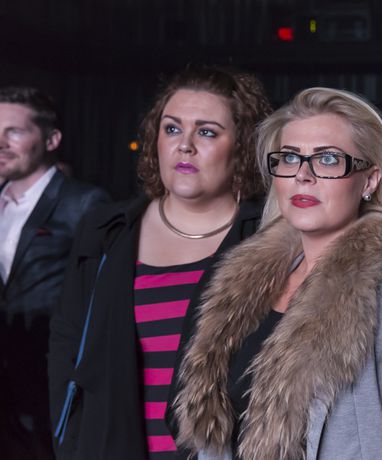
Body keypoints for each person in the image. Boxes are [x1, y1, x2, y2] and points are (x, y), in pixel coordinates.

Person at [171, 87, 382, 460]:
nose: (303, 175)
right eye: (290, 157)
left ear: (370, 180)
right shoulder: (242, 282)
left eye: (327, 159)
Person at [47, 66, 272, 460]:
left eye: (207, 132)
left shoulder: (267, 238)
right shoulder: (107, 232)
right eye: (171, 129)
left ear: (242, 145)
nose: (185, 145)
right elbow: (66, 353)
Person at [0, 86, 110, 459]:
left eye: (14, 132)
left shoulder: (84, 202)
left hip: (49, 377)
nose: (1, 143)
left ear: (51, 140)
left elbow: (101, 297)